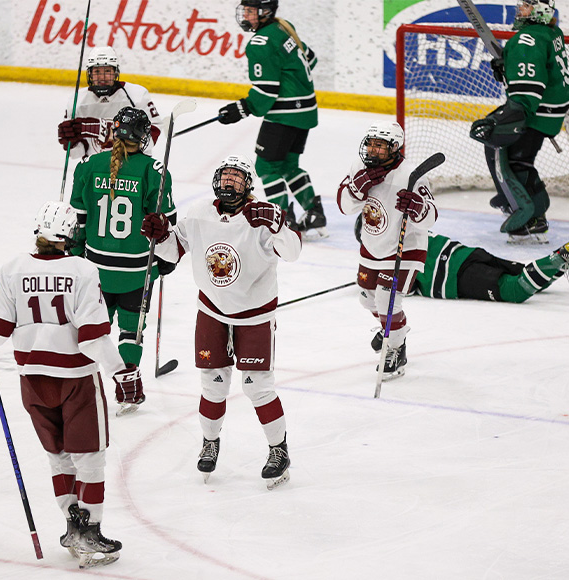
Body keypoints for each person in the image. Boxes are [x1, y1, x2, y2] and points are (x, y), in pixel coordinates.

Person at [0, 202, 145, 569]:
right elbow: (92, 337)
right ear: (70, 235)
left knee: (58, 455)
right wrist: (121, 372)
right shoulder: (82, 270)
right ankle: (88, 531)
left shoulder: (12, 269)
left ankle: (71, 524)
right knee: (90, 458)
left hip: (33, 381)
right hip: (75, 380)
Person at [140, 154, 301, 490]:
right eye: (225, 176)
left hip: (255, 315)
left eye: (237, 178)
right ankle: (210, 442)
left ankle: (278, 449)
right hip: (212, 311)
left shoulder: (260, 216)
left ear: (248, 185)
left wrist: (278, 223)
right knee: (213, 384)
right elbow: (172, 252)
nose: (229, 183)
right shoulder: (199, 212)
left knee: (258, 387)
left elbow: (293, 251)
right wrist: (158, 235)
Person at [353, 217, 569, 355]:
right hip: (468, 254)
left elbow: (404, 287)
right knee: (527, 275)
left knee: (515, 290)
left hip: (457, 275)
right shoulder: (407, 231)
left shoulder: (391, 255)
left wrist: (379, 280)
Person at [69, 106, 177, 414]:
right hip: (136, 270)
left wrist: (74, 257)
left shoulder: (88, 164)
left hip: (94, 270)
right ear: (143, 137)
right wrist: (167, 259)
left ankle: (80, 389)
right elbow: (166, 222)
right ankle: (129, 391)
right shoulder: (154, 169)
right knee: (131, 331)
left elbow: (77, 221)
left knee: (92, 331)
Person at [217, 0, 327, 240]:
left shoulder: (260, 43)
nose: (245, 14)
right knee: (288, 166)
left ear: (265, 12)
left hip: (284, 115)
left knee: (266, 167)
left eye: (250, 10)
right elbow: (311, 58)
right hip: (306, 111)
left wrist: (240, 108)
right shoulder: (284, 27)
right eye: (244, 9)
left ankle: (284, 218)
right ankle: (314, 212)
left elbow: (266, 92)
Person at [336, 121, 437, 380]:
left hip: (406, 248)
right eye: (370, 143)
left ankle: (396, 347)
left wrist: (417, 208)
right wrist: (356, 189)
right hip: (372, 246)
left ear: (394, 148)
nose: (372, 150)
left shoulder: (411, 174)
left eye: (379, 146)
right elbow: (344, 206)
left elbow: (431, 217)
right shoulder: (360, 166)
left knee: (386, 300)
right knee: (367, 300)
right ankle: (390, 327)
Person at [470, 0, 569, 245]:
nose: (520, 9)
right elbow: (536, 68)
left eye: (527, 5)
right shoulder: (550, 31)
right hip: (551, 108)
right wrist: (509, 65)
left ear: (539, 10)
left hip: (537, 111)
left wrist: (512, 116)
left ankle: (532, 215)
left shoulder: (527, 39)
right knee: (513, 155)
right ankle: (516, 201)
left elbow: (529, 88)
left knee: (511, 156)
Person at [57, 46, 162, 161]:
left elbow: (155, 127)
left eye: (107, 71)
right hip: (95, 167)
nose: (102, 77)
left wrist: (103, 130)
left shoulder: (136, 95)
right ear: (90, 74)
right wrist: (71, 143)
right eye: (97, 71)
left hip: (131, 164)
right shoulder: (77, 101)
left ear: (115, 72)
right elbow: (77, 153)